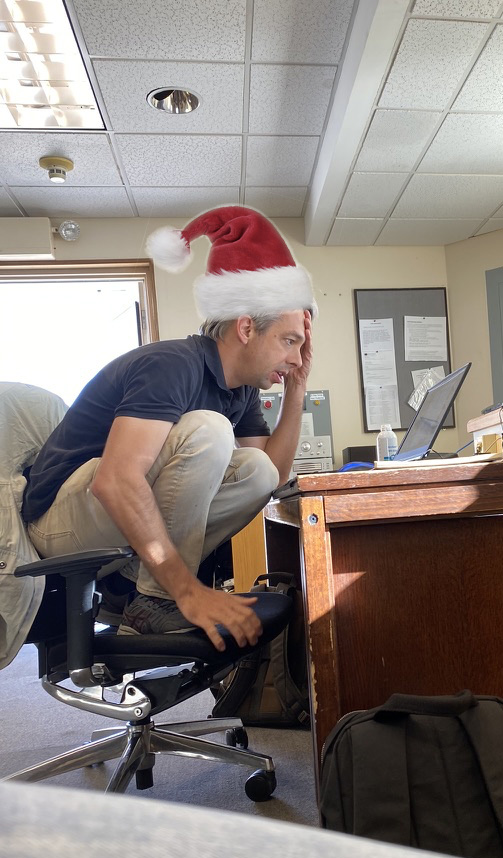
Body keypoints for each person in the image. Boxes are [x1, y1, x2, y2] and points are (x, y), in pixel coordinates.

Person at [22, 206, 317, 651]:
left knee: (255, 469)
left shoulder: (240, 390)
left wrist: (297, 390)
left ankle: (139, 589)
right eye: (289, 341)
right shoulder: (173, 365)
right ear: (245, 329)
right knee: (210, 430)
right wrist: (187, 591)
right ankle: (155, 599)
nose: (296, 356)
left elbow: (271, 478)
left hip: (109, 525)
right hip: (57, 524)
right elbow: (116, 482)